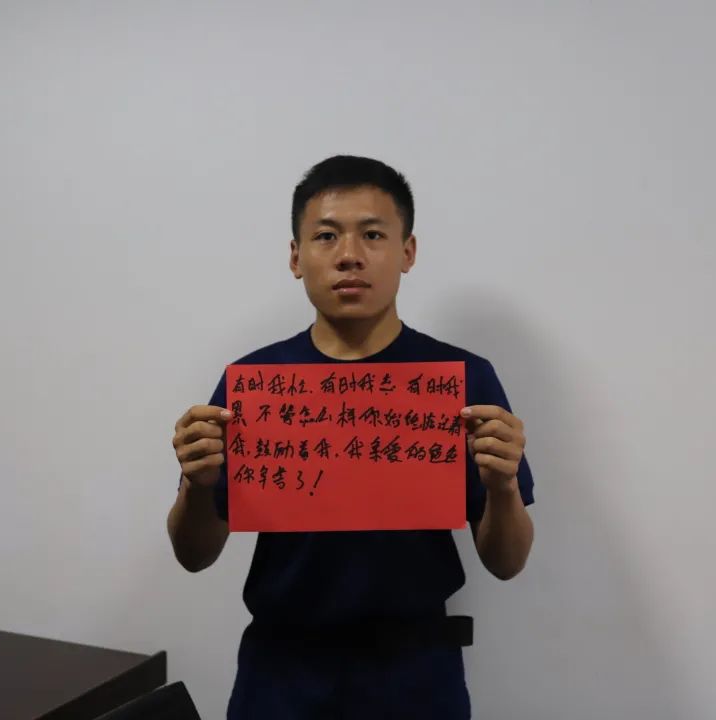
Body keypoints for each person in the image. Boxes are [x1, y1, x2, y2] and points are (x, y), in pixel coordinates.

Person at [167, 155, 535, 719]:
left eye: (372, 234)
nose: (349, 255)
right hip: (280, 675)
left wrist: (503, 486)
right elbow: (194, 555)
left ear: (407, 252)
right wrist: (197, 484)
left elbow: (506, 563)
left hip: (416, 678)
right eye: (326, 235)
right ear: (296, 257)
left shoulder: (462, 381)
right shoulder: (256, 384)